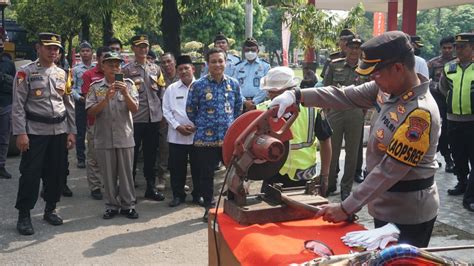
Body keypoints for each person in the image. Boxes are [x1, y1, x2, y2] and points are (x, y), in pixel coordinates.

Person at [270, 31, 440, 248]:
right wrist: (297, 95)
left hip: (408, 214)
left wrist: (346, 207)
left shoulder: (419, 114)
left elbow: (388, 170)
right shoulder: (388, 88)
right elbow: (344, 95)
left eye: (376, 73)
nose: (372, 78)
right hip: (384, 205)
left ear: (398, 68)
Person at [13, 33, 76, 235]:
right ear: (38, 47)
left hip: (58, 131)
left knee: (56, 172)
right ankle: (24, 215)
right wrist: (21, 133)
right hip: (35, 132)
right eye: (48, 47)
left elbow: (69, 105)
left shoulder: (62, 74)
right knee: (31, 174)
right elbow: (18, 106)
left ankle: (50, 209)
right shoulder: (26, 73)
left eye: (56, 48)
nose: (53, 51)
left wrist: (72, 131)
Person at [186, 47, 242, 222]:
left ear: (225, 62)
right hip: (205, 139)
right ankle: (209, 207)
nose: (217, 64)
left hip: (228, 138)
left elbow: (238, 108)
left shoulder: (233, 84)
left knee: (234, 173)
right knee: (206, 175)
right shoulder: (198, 85)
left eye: (220, 61)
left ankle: (233, 205)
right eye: (213, 61)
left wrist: (231, 126)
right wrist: (204, 123)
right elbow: (190, 110)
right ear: (207, 64)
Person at [257, 67, 332, 194]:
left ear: (291, 91)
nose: (271, 96)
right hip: (273, 173)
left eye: (276, 92)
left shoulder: (312, 110)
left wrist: (325, 175)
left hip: (304, 177)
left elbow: (325, 141)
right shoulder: (261, 111)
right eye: (270, 92)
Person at [86, 51, 139, 219]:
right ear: (103, 67)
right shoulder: (96, 87)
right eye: (110, 65)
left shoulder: (129, 85)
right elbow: (91, 112)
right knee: (108, 175)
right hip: (104, 137)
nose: (114, 68)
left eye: (117, 65)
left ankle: (128, 205)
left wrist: (125, 94)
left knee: (126, 174)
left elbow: (135, 109)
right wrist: (106, 99)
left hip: (124, 136)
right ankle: (111, 205)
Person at [323, 37, 368, 200]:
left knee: (352, 152)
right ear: (345, 48)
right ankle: (330, 183)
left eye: (358, 47)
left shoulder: (366, 67)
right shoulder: (335, 65)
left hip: (355, 113)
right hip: (335, 111)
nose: (354, 50)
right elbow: (326, 88)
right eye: (352, 47)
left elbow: (370, 90)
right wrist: (326, 111)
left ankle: (346, 187)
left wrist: (364, 111)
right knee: (332, 150)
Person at [123, 34, 165, 201]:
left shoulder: (156, 68)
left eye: (145, 46)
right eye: (139, 46)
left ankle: (150, 187)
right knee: (131, 156)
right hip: (135, 119)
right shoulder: (126, 70)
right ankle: (128, 189)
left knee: (150, 155)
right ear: (133, 48)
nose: (143, 49)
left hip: (153, 118)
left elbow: (161, 92)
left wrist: (161, 114)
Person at [439, 33, 474, 209]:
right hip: (453, 119)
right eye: (457, 47)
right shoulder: (449, 67)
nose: (458, 50)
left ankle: (471, 195)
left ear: (472, 48)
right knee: (458, 155)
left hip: (472, 121)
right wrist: (452, 100)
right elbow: (443, 88)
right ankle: (462, 182)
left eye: (463, 46)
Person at [163, 55, 200, 207]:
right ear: (177, 71)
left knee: (199, 168)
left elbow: (207, 110)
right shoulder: (171, 89)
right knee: (177, 168)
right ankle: (178, 195)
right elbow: (166, 110)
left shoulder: (202, 87)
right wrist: (178, 126)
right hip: (177, 136)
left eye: (187, 68)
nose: (184, 71)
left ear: (193, 69)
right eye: (180, 69)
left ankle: (198, 195)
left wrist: (197, 126)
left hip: (198, 135)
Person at [81, 46, 111, 200]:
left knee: (111, 155)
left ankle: (109, 184)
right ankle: (95, 186)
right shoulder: (89, 75)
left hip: (113, 122)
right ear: (98, 58)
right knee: (94, 155)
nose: (108, 61)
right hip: (95, 121)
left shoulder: (117, 74)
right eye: (105, 57)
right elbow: (88, 99)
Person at [427, 36, 456, 173]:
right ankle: (448, 159)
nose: (447, 50)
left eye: (450, 47)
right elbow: (426, 80)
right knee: (440, 130)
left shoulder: (458, 63)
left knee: (451, 130)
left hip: (455, 100)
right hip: (438, 100)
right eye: (444, 48)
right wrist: (438, 86)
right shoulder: (433, 63)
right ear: (441, 48)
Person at [156, 52, 179, 191]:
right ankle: (161, 177)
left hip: (180, 119)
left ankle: (179, 179)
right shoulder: (159, 79)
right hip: (164, 119)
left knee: (179, 152)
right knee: (164, 149)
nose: (167, 65)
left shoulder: (181, 76)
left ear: (174, 62)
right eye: (163, 62)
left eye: (169, 61)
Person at [72, 41, 95, 169]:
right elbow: (72, 88)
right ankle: (81, 158)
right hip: (81, 102)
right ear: (79, 54)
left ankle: (95, 156)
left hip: (95, 102)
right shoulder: (75, 70)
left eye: (87, 51)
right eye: (83, 51)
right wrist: (79, 98)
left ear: (92, 52)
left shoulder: (97, 68)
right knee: (80, 131)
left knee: (95, 129)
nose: (85, 53)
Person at [232, 37, 270, 111]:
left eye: (253, 50)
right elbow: (234, 86)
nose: (250, 52)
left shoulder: (265, 66)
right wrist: (244, 101)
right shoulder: (238, 66)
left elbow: (266, 86)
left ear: (258, 51)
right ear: (243, 51)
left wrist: (254, 101)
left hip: (260, 104)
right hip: (241, 104)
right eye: (247, 50)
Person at [0, 39, 16, 179]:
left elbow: (15, 84)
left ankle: (1, 165)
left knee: (4, 137)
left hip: (5, 103)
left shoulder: (9, 64)